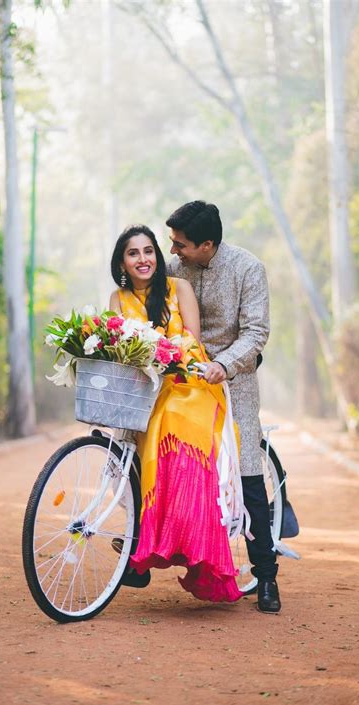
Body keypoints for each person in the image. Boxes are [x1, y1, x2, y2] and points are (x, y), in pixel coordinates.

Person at [109, 224, 243, 603]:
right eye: (133, 253)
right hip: (146, 388)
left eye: (149, 251)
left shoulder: (178, 288)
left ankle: (194, 545)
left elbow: (194, 341)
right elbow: (120, 355)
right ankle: (153, 540)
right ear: (122, 260)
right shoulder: (117, 299)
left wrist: (167, 351)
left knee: (175, 426)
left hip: (190, 383)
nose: (143, 259)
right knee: (144, 427)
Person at [166, 200, 281, 613]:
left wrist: (223, 364)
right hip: (183, 379)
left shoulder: (248, 269)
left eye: (180, 244)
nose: (173, 250)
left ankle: (266, 577)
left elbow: (256, 332)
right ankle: (140, 552)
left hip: (235, 380)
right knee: (163, 452)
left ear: (207, 244)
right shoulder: (173, 268)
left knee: (247, 472)